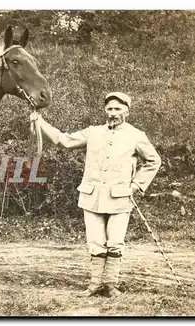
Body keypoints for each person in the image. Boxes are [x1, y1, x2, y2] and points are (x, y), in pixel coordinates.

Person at [30, 92, 161, 297]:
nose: (113, 113)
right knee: (96, 242)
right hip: (92, 197)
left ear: (126, 110)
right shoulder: (93, 132)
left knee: (115, 242)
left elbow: (154, 161)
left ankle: (111, 285)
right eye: (109, 109)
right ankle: (94, 284)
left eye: (118, 109)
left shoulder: (136, 135)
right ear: (104, 111)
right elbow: (63, 140)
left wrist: (135, 185)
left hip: (120, 198)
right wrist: (40, 122)